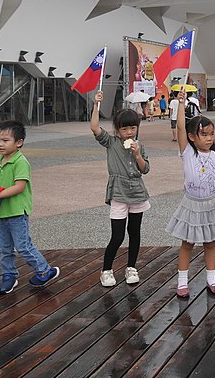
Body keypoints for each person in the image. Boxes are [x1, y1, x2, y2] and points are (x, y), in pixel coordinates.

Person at [166, 91, 215, 297]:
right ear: (193, 137)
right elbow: (180, 127)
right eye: (204, 134)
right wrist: (181, 104)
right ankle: (182, 281)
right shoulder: (187, 152)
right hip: (192, 204)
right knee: (187, 243)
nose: (209, 138)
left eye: (212, 134)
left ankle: (211, 278)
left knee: (210, 243)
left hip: (210, 204)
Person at [0, 120, 59, 294]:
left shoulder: (20, 162)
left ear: (19, 143)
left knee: (23, 246)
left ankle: (45, 270)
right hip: (1, 213)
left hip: (17, 212)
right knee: (4, 249)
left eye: (5, 140)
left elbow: (19, 187)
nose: (0, 144)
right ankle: (9, 275)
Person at [91, 91, 150, 287]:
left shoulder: (139, 145)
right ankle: (106, 270)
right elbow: (94, 128)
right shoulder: (112, 142)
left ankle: (131, 268)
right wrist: (96, 105)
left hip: (137, 192)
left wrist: (138, 154)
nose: (130, 132)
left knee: (135, 232)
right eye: (125, 129)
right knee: (117, 235)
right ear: (118, 129)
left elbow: (145, 169)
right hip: (118, 192)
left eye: (133, 128)